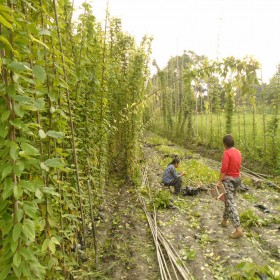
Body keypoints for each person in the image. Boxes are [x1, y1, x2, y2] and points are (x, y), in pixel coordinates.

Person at [218, 134, 244, 239]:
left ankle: (238, 230)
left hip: (229, 180)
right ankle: (224, 221)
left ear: (224, 144)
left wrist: (219, 180)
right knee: (228, 201)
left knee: (231, 204)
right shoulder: (238, 152)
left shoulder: (226, 153)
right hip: (237, 179)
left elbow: (224, 168)